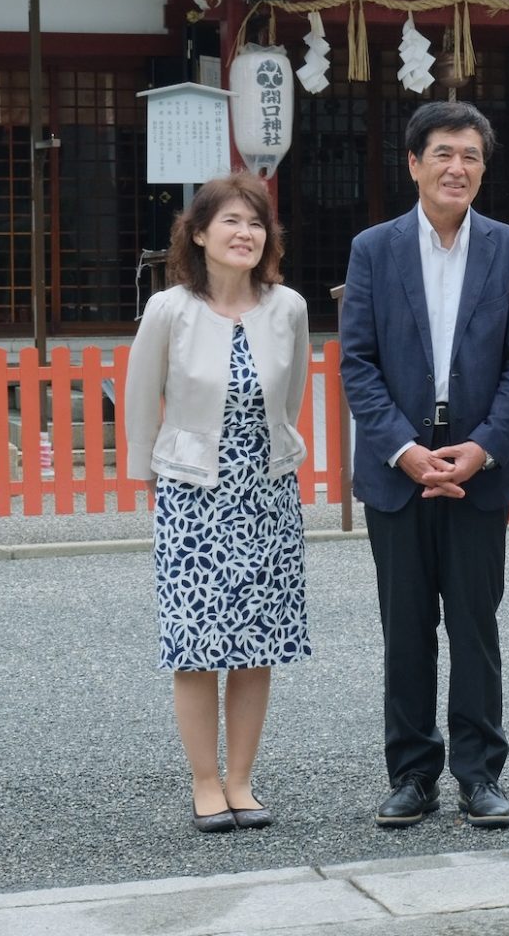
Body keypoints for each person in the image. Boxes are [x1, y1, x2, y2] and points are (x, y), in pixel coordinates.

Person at [339, 101, 509, 831]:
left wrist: (483, 447)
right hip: (400, 472)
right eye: (444, 154)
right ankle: (412, 773)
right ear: (415, 163)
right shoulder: (375, 248)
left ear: (485, 169)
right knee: (406, 628)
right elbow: (356, 361)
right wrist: (405, 448)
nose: (458, 167)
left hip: (480, 467)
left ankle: (479, 772)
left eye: (472, 157)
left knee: (476, 628)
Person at [124, 171, 312, 834]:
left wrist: (277, 457)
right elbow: (142, 397)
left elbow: (290, 401)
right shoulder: (169, 310)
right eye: (230, 221)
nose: (245, 234)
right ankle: (205, 781)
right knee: (197, 646)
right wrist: (148, 476)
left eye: (255, 223)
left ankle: (242, 780)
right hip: (191, 494)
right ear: (199, 234)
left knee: (256, 645)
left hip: (266, 493)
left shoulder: (287, 307)